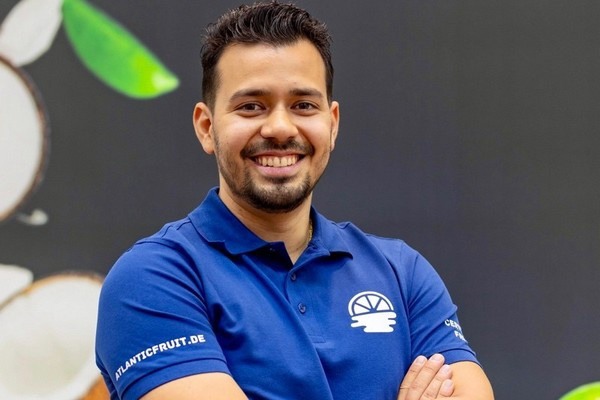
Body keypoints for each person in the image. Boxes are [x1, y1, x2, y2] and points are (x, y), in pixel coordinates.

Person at [95, 2, 494, 399]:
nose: (280, 128)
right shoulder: (153, 278)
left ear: (332, 124)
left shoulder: (402, 273)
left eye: (303, 105)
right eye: (251, 107)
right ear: (206, 126)